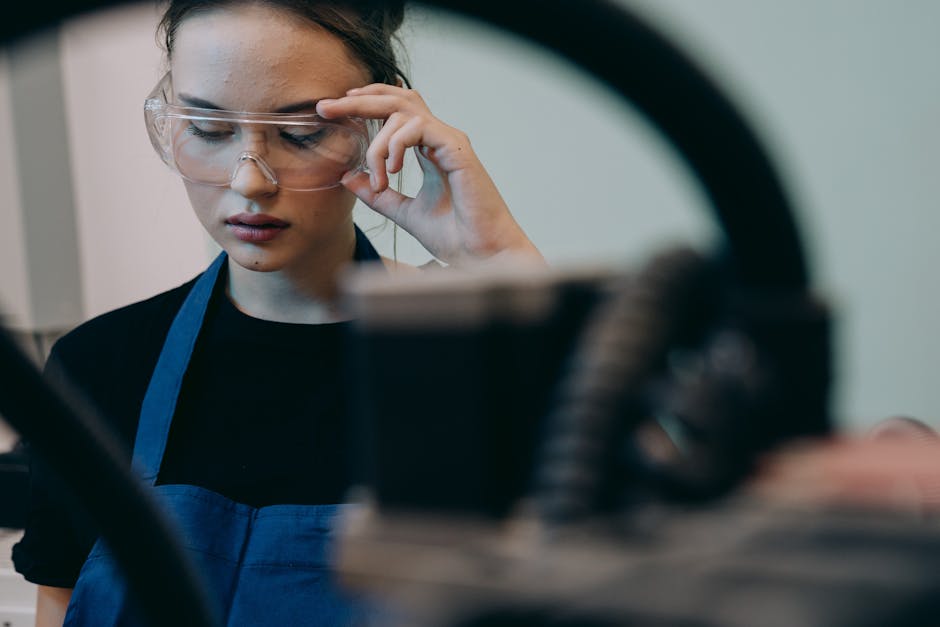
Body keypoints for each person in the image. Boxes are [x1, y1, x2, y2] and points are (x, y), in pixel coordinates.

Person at [11, 1, 543, 625]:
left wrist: (500, 261)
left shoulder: (470, 365)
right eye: (209, 130)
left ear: (373, 127)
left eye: (301, 134)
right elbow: (61, 599)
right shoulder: (99, 363)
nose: (249, 181)